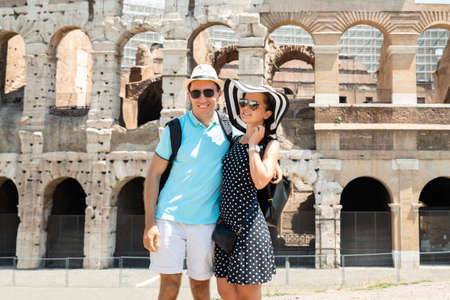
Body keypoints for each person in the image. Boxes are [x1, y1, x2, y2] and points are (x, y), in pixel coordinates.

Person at [143, 64, 229, 300]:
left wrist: (273, 162)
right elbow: (153, 175)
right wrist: (150, 223)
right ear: (189, 95)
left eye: (208, 92)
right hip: (169, 218)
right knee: (169, 286)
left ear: (218, 94)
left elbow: (254, 145)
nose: (203, 99)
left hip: (206, 222)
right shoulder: (175, 129)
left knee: (201, 287)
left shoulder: (229, 130)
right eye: (196, 93)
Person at [214, 79, 289, 300]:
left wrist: (254, 147)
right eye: (244, 102)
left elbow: (260, 181)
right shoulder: (235, 141)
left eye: (254, 105)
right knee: (225, 292)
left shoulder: (270, 144)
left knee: (247, 296)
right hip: (225, 226)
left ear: (267, 113)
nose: (246, 107)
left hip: (248, 229)